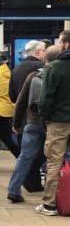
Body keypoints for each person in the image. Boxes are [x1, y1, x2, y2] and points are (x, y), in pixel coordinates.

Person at [7, 45, 59, 203]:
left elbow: (21, 102)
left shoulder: (33, 76)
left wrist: (16, 124)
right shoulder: (60, 75)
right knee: (57, 158)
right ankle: (56, 193)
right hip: (53, 125)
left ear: (45, 58)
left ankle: (13, 190)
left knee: (25, 157)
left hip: (32, 124)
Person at [35, 30, 70, 216]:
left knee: (55, 161)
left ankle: (49, 204)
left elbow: (46, 98)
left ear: (65, 45)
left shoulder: (55, 67)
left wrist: (44, 118)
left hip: (58, 121)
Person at [8, 40, 46, 189]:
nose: (44, 53)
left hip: (22, 118)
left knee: (26, 154)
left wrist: (16, 122)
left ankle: (26, 184)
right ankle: (31, 182)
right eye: (43, 50)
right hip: (37, 118)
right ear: (37, 52)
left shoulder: (16, 70)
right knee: (39, 154)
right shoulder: (41, 69)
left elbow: (12, 96)